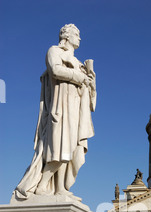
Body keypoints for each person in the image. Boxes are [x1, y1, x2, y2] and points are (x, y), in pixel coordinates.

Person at [14, 24, 96, 201]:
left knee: (72, 149)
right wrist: (80, 77)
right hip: (60, 107)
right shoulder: (54, 51)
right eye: (77, 34)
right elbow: (55, 70)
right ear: (67, 36)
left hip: (75, 108)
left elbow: (87, 93)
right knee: (60, 148)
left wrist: (90, 80)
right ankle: (42, 185)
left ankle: (60, 188)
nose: (80, 38)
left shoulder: (78, 63)